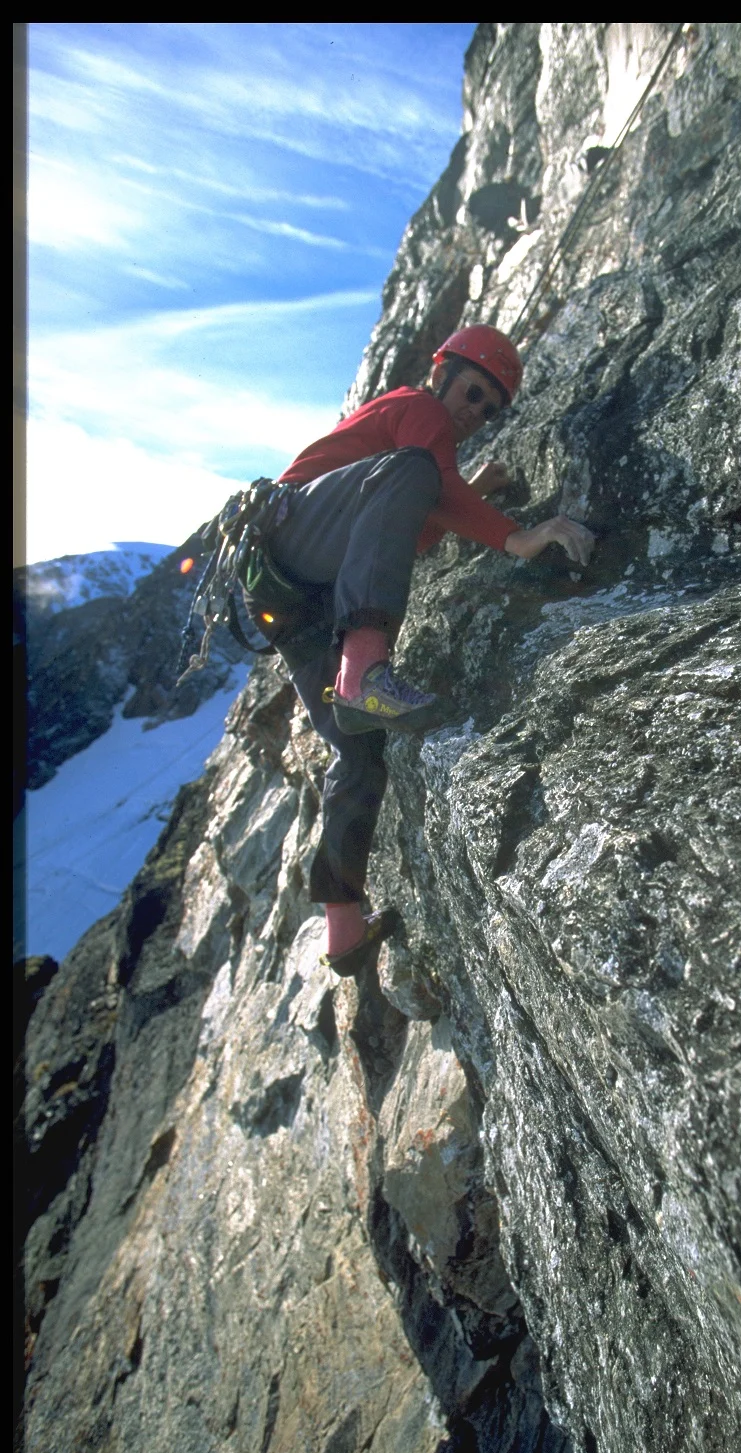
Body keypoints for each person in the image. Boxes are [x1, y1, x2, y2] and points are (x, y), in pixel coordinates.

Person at [256, 325, 595, 976]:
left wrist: (468, 493)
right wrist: (518, 535)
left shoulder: (420, 452)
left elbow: (401, 537)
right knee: (414, 467)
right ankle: (363, 671)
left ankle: (343, 931)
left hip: (297, 601)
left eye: (488, 408)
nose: (473, 411)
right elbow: (423, 479)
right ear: (441, 372)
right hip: (296, 540)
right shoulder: (415, 408)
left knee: (358, 751)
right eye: (472, 391)